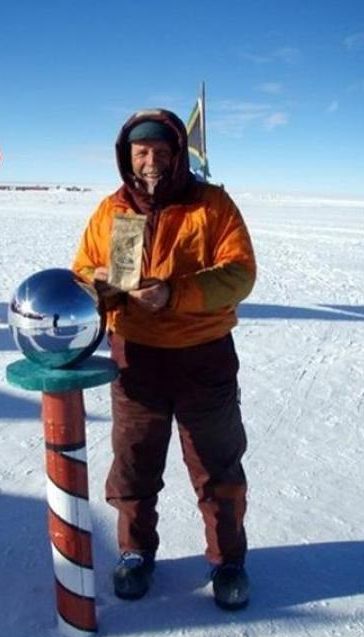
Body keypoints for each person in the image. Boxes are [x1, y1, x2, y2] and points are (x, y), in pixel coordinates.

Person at [73, 108, 256, 610]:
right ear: (127, 157)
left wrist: (176, 292)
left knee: (216, 464)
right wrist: (100, 280)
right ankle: (134, 552)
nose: (150, 160)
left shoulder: (211, 204)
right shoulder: (114, 211)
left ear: (176, 153)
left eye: (159, 150)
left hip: (204, 356)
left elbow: (239, 273)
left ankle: (228, 562)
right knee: (133, 462)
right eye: (140, 151)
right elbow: (82, 270)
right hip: (136, 359)